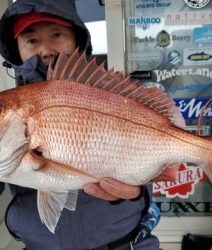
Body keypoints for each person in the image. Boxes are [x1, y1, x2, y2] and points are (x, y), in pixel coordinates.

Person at [0, 0, 161, 250]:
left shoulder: (112, 95)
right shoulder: (12, 103)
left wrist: (138, 192)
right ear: (16, 48)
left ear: (77, 38)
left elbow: (146, 164)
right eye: (31, 40)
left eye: (56, 34)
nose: (45, 49)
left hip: (127, 245)